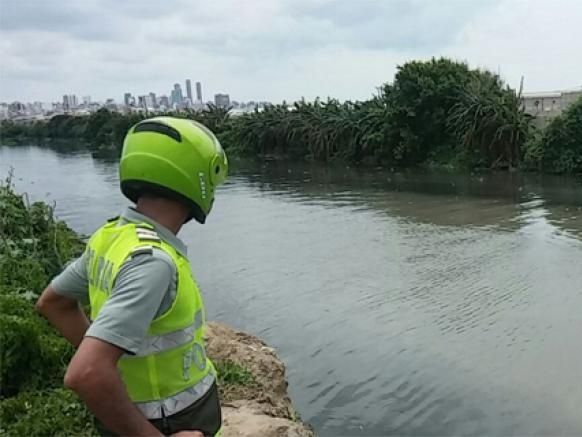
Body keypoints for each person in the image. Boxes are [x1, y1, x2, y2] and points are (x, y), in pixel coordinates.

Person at [36, 117, 228, 437]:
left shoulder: (112, 237)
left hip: (142, 416)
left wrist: (111, 361)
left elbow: (54, 303)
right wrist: (101, 363)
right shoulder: (154, 263)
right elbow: (86, 372)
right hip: (168, 421)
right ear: (196, 180)